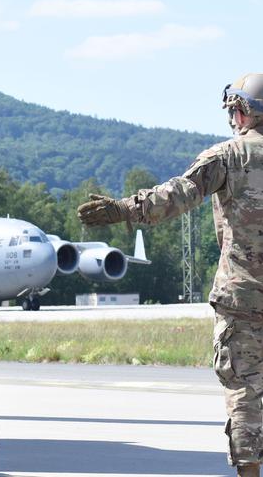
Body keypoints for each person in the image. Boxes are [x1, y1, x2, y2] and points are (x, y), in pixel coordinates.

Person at [76, 73, 263, 477]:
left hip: (244, 299)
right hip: (244, 299)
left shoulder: (229, 156)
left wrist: (126, 209)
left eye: (233, 111)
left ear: (244, 112)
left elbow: (179, 193)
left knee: (245, 391)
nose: (232, 120)